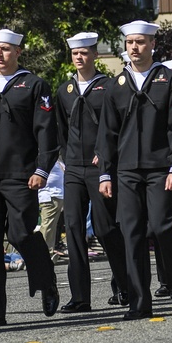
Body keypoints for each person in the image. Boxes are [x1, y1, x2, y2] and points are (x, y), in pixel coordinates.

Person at [97, 20, 172, 320]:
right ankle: (139, 301)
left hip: (161, 168)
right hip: (126, 171)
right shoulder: (117, 85)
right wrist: (105, 173)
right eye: (130, 43)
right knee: (132, 233)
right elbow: (107, 132)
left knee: (163, 229)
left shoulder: (168, 80)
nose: (134, 48)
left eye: (140, 42)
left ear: (152, 45)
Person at [0, 28, 61, 324]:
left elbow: (46, 131)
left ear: (18, 52)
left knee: (20, 234)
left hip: (21, 175)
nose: (0, 55)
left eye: (6, 50)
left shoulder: (34, 84)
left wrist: (42, 169)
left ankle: (46, 280)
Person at [53, 31, 129, 313]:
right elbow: (60, 129)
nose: (79, 58)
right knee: (72, 229)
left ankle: (124, 285)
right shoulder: (65, 90)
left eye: (85, 53)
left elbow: (116, 127)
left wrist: (107, 157)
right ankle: (80, 297)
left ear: (95, 55)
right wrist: (64, 158)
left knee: (106, 228)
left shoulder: (108, 87)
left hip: (100, 169)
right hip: (73, 168)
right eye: (75, 54)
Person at [37, 159, 65, 256]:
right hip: (50, 196)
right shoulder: (45, 159)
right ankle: (42, 252)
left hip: (58, 196)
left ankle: (49, 250)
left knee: (52, 227)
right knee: (47, 226)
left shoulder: (58, 161)